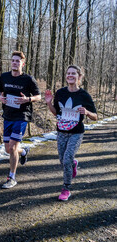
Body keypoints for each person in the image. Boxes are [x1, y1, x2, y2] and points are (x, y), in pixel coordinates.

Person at [45, 65, 97, 201]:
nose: (70, 75)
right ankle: (73, 164)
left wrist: (87, 112)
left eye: (73, 73)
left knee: (66, 159)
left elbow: (95, 116)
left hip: (76, 132)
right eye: (68, 73)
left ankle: (66, 188)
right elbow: (57, 113)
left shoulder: (84, 95)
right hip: (61, 131)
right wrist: (49, 103)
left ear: (79, 76)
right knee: (63, 161)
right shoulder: (61, 93)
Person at [0, 51, 41, 189]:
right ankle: (24, 151)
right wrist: (0, 97)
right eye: (13, 60)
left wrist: (27, 99)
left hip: (22, 116)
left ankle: (12, 177)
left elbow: (38, 96)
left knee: (13, 147)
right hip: (8, 115)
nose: (15, 63)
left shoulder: (28, 79)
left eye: (17, 61)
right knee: (8, 149)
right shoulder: (4, 77)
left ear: (23, 63)